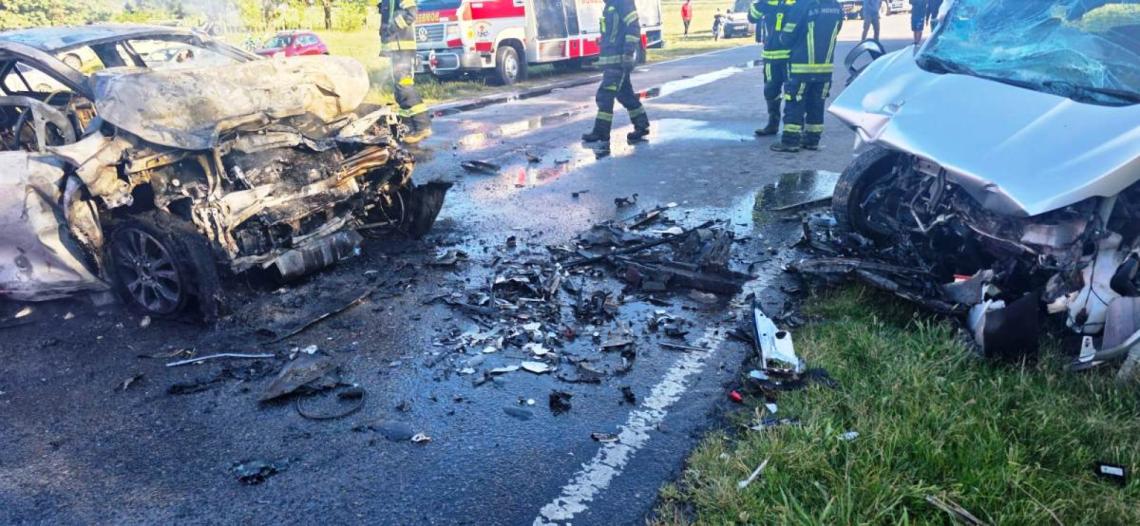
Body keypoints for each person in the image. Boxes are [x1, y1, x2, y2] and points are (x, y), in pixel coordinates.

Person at [770, 0, 843, 153]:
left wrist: (781, 36)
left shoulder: (802, 5)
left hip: (801, 67)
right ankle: (812, 140)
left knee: (795, 103)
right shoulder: (836, 7)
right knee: (817, 104)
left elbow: (787, 37)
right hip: (825, 68)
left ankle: (790, 142)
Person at [581, 0, 650, 145]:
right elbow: (613, 33)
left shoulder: (623, 3)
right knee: (625, 95)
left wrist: (628, 53)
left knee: (605, 94)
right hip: (611, 60)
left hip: (618, 60)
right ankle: (641, 126)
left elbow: (633, 27)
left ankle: (601, 132)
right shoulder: (611, 5)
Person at [379, 0, 432, 143]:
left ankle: (422, 126)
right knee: (399, 90)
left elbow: (411, 13)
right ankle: (408, 128)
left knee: (404, 86)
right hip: (396, 51)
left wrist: (393, 27)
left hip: (404, 51)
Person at [748, 0, 794, 136]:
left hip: (790, 56)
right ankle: (772, 124)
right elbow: (752, 16)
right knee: (770, 91)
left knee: (793, 93)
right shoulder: (766, 2)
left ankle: (793, 127)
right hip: (770, 56)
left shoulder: (795, 2)